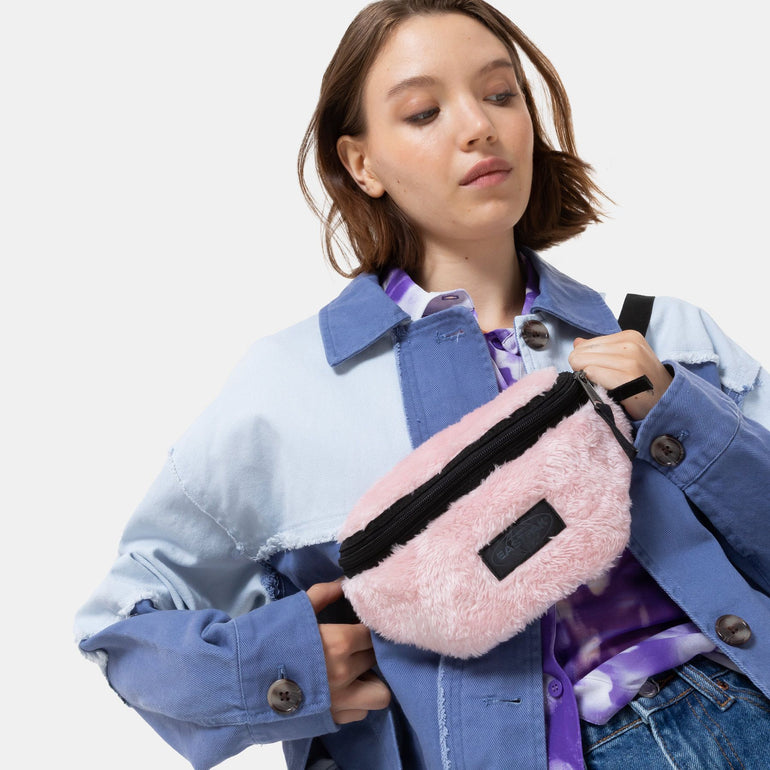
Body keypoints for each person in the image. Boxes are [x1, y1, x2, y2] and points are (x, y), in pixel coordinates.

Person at [74, 1, 770, 768]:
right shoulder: (288, 393)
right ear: (361, 163)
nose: (478, 126)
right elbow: (122, 625)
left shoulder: (665, 335)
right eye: (423, 112)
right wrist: (284, 668)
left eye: (500, 95)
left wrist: (679, 412)